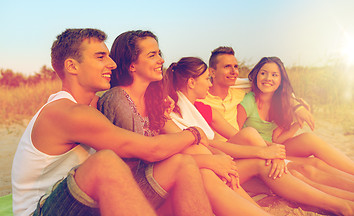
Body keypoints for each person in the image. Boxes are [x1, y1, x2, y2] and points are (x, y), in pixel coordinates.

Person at [11, 29, 212, 216]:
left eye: (108, 56)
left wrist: (161, 113)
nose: (113, 64)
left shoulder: (95, 106)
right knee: (105, 162)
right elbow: (151, 150)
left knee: (182, 164)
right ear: (72, 66)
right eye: (100, 57)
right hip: (40, 210)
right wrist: (194, 133)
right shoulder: (67, 112)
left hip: (83, 201)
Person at [97, 30, 272, 216]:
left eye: (159, 53)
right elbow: (146, 156)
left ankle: (259, 212)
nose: (161, 60)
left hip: (155, 181)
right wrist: (208, 159)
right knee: (199, 164)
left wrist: (218, 159)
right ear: (132, 65)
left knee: (200, 160)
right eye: (152, 55)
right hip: (129, 191)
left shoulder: (152, 100)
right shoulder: (118, 100)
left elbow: (187, 140)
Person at [163, 56, 354, 215]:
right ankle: (340, 205)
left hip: (234, 153)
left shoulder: (206, 107)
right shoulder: (172, 109)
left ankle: (341, 204)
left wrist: (270, 146)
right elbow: (207, 145)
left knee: (298, 161)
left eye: (236, 67)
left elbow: (263, 88)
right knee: (304, 169)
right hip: (211, 165)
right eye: (207, 78)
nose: (210, 83)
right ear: (192, 81)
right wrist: (263, 151)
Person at [237, 57, 354, 185]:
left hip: (275, 148)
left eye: (274, 75)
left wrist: (298, 124)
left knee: (310, 141)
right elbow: (237, 136)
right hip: (256, 153)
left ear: (281, 80)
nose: (268, 78)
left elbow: (277, 140)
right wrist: (266, 150)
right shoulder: (248, 102)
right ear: (256, 75)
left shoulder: (280, 103)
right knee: (313, 165)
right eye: (263, 73)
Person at [199, 46, 315, 142]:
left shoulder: (240, 91)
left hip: (247, 146)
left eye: (235, 66)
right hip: (226, 150)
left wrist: (297, 106)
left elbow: (275, 89)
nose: (234, 72)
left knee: (310, 144)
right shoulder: (200, 99)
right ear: (212, 72)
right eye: (227, 67)